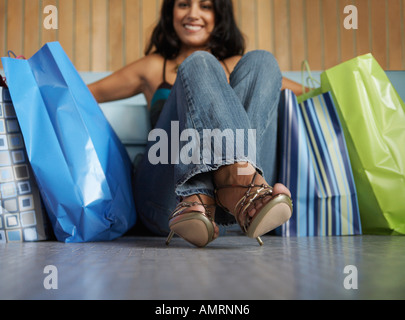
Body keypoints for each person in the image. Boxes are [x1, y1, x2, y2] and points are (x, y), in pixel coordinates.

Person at [89, 0, 302, 248]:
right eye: (183, 4)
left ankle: (233, 189)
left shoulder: (241, 66)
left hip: (239, 211)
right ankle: (232, 184)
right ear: (170, 13)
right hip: (170, 200)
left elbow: (311, 91)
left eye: (205, 6)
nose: (193, 14)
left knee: (263, 61)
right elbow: (83, 92)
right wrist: (35, 73)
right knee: (199, 61)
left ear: (219, 15)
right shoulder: (152, 67)